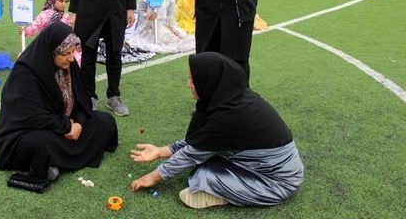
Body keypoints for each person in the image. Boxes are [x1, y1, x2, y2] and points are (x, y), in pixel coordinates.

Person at [130, 52, 303, 209]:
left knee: (203, 174)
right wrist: (160, 151)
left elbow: (192, 152)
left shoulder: (229, 116)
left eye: (193, 79)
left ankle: (221, 194)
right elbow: (202, 140)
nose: (188, 84)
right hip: (261, 166)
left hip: (276, 182)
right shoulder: (230, 99)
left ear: (209, 81)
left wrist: (153, 177)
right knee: (204, 163)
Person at [0, 22, 118, 184]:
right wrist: (66, 127)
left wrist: (78, 126)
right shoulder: (25, 73)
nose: (71, 58)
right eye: (66, 53)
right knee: (43, 143)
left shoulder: (69, 65)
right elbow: (31, 116)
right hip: (28, 132)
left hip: (65, 125)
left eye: (73, 52)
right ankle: (60, 158)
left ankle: (56, 162)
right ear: (52, 51)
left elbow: (82, 101)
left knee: (104, 121)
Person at [126, 0, 194, 53]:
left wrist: (171, 26)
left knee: (181, 38)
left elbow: (170, 13)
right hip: (149, 26)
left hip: (164, 24)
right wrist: (147, 15)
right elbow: (140, 10)